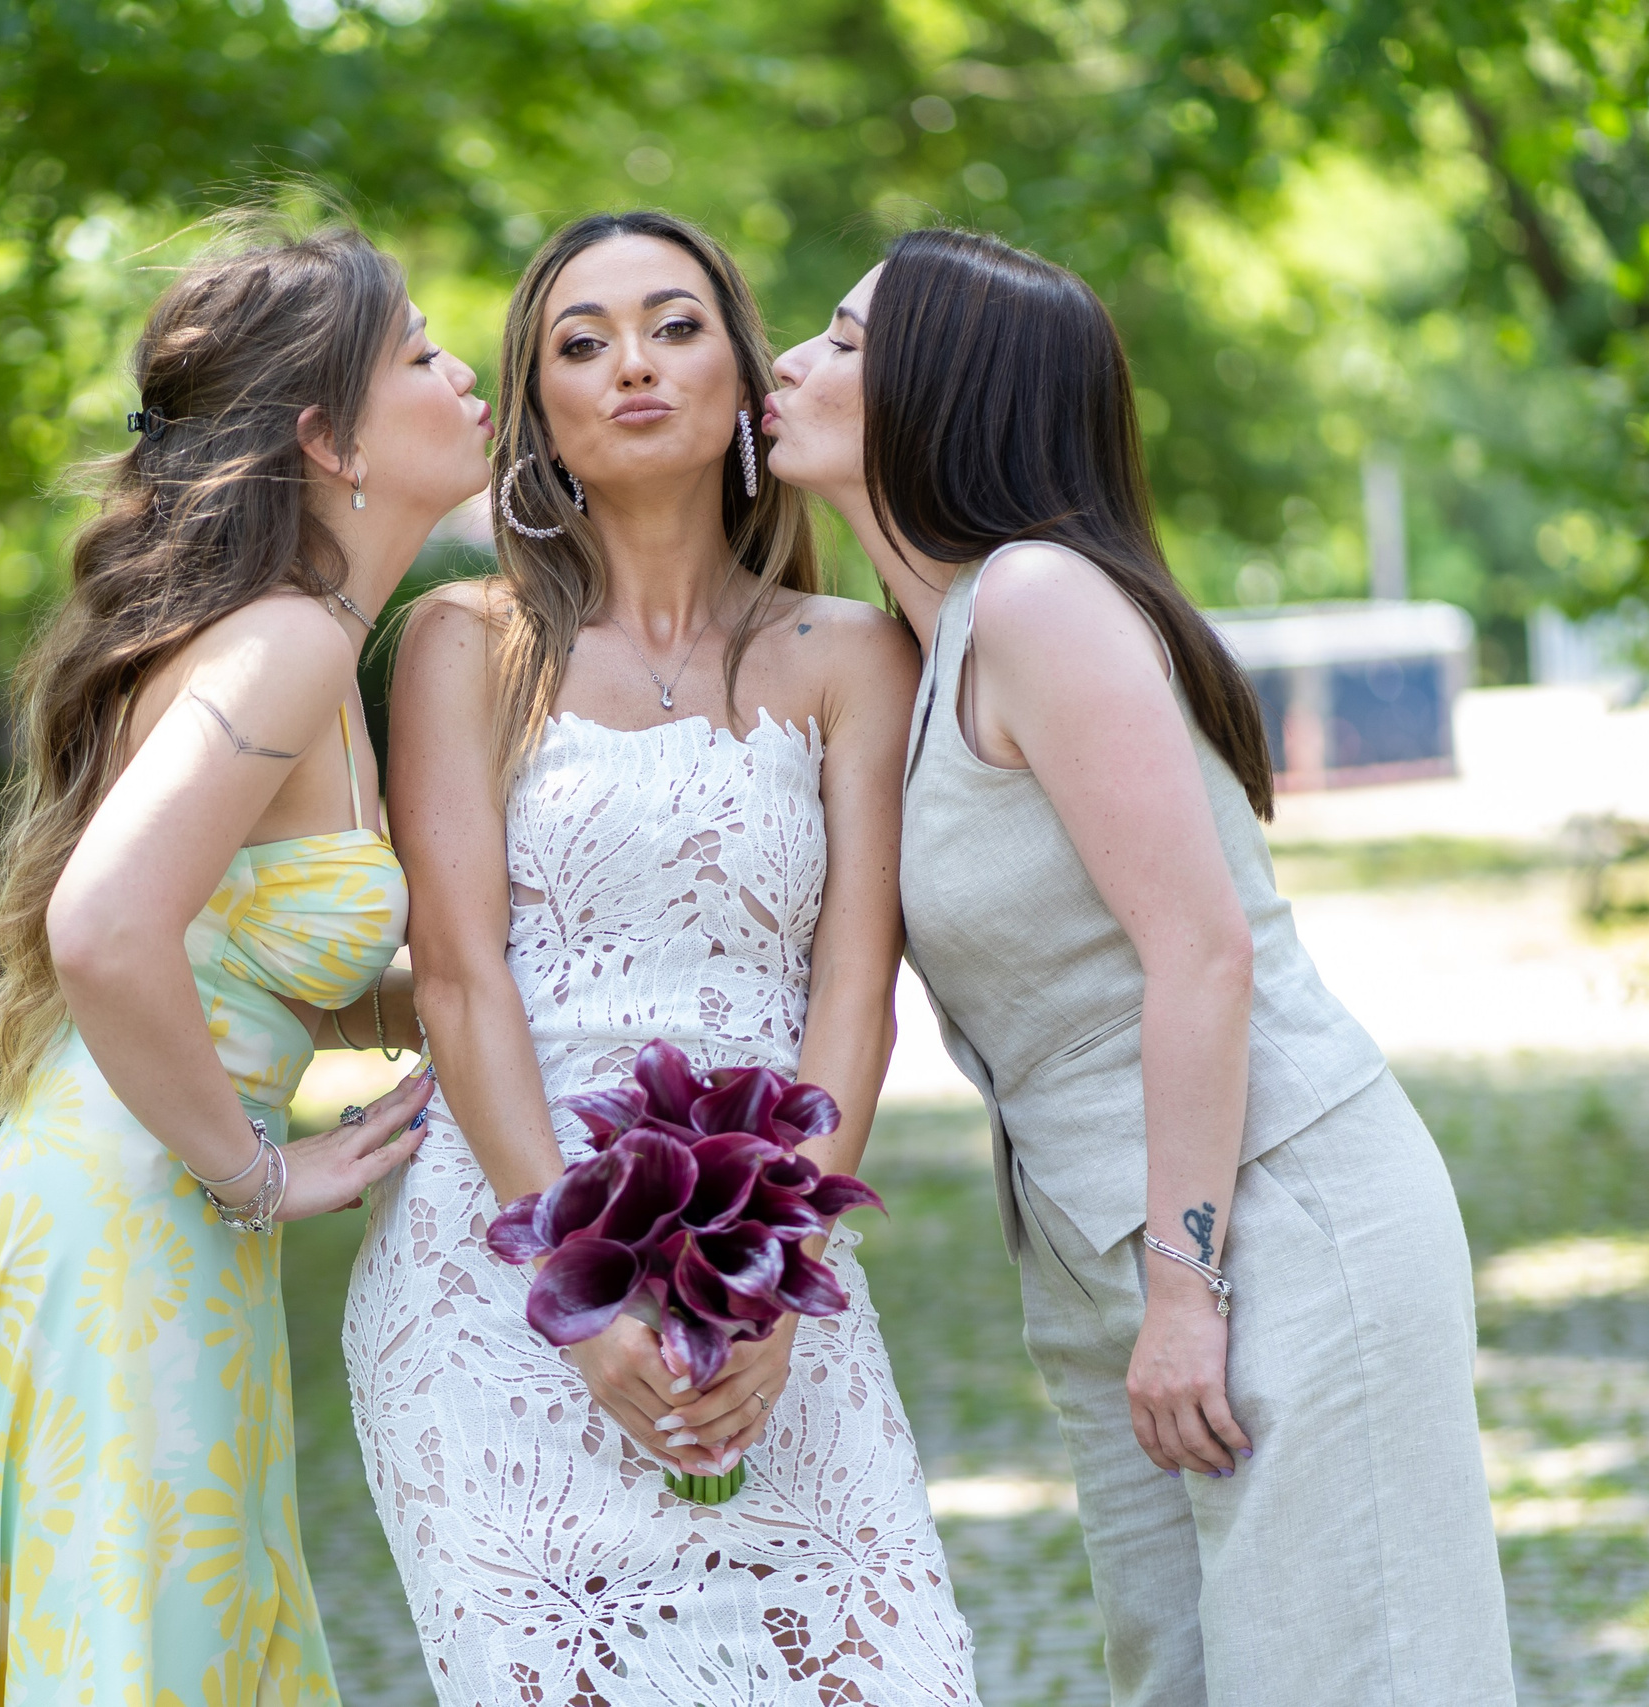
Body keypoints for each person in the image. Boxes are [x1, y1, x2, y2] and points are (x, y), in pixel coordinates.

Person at [762, 225, 1516, 1707]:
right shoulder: (926, 656)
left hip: (1273, 1222)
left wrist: (1188, 1290)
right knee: (1174, 1676)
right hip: (1107, 1254)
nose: (792, 361)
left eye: (847, 341)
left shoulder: (1039, 600)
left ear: (944, 391)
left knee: (1341, 1676)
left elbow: (1203, 952)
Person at [344, 210, 981, 1706]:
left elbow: (852, 985)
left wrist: (786, 1266)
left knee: (889, 1672)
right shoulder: (463, 641)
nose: (632, 362)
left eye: (675, 324)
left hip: (763, 1259)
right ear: (541, 413)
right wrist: (576, 1289)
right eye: (581, 341)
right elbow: (457, 980)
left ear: (746, 380)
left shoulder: (852, 654)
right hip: (500, 1273)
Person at [0, 216, 490, 1707]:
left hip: (134, 1231)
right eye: (419, 351)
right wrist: (257, 1173)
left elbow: (254, 960)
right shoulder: (281, 645)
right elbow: (103, 930)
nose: (466, 368)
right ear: (325, 434)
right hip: (118, 1237)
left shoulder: (310, 647)